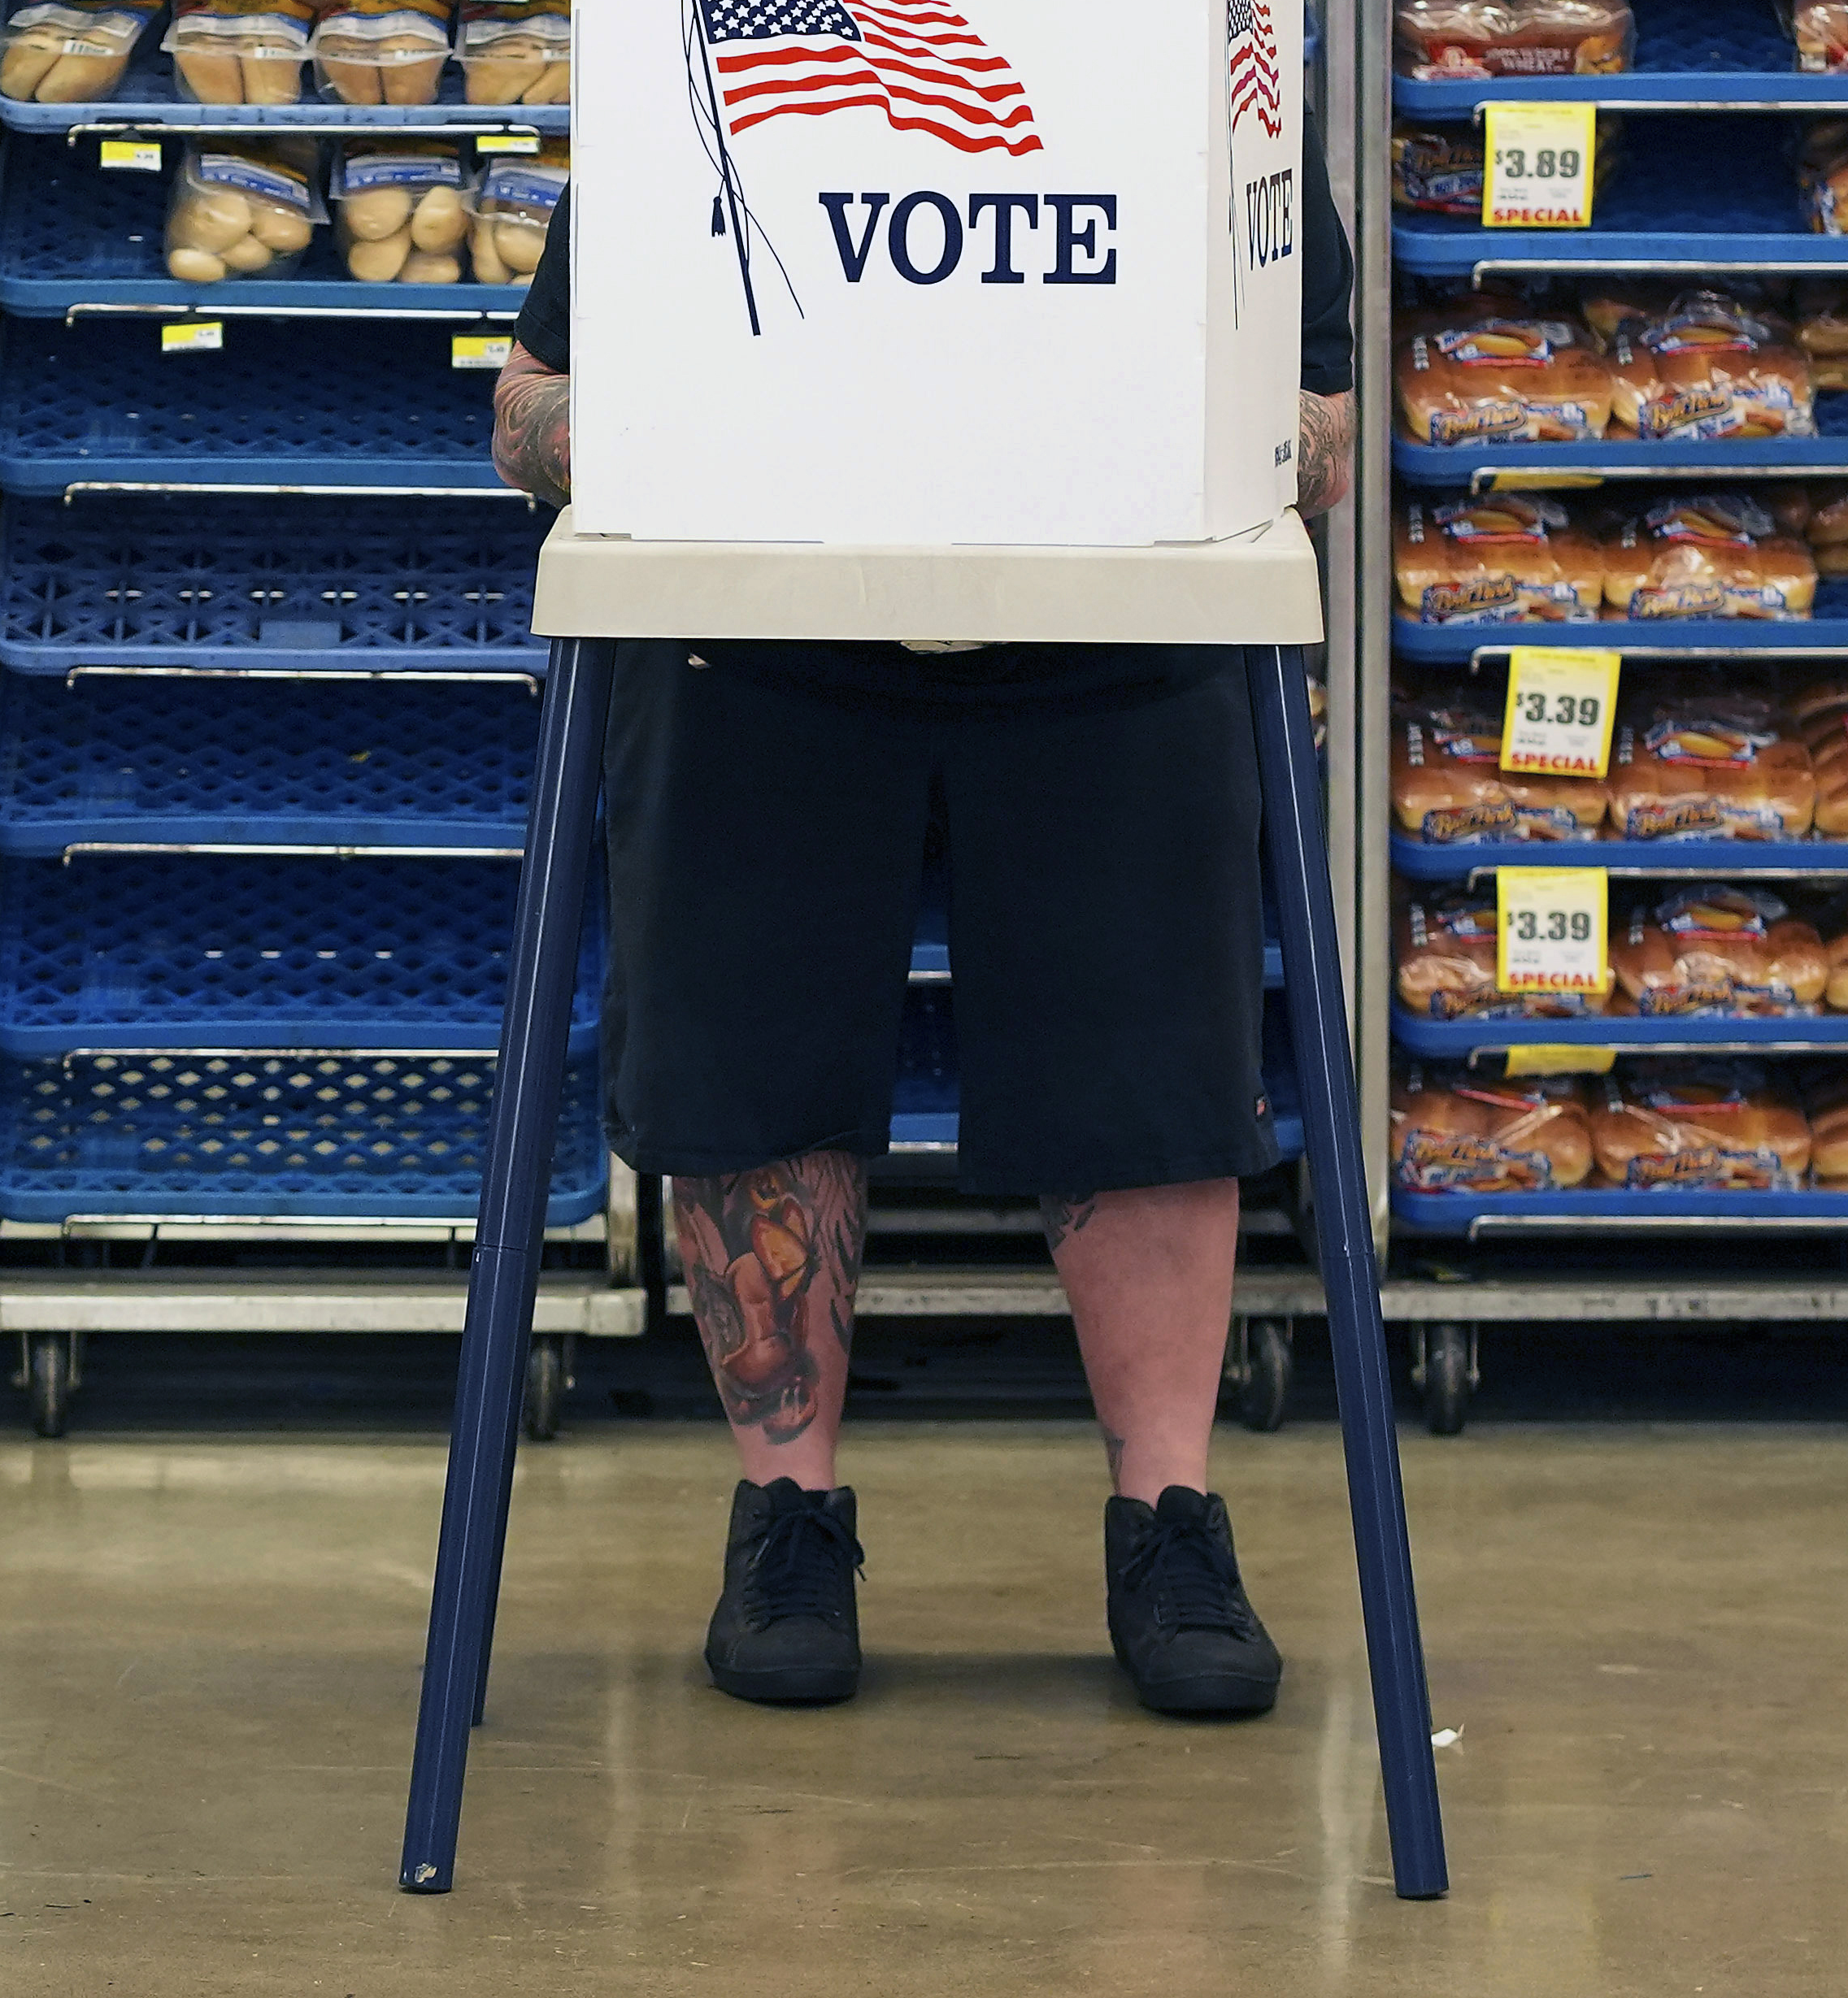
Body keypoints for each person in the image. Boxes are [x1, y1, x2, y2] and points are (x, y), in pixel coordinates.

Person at [489, 164, 1358, 1713]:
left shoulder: (1181, 56)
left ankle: (1169, 1521)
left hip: (1112, 624)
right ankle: (787, 1517)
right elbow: (527, 418)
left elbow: (1323, 433)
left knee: (1150, 1041)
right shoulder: (700, 71)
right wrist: (697, 431)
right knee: (747, 1026)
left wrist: (1211, 446)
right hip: (765, 625)